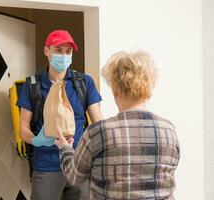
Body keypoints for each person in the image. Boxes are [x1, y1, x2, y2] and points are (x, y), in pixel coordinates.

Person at [55, 50, 180, 199]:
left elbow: (74, 176)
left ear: (115, 88)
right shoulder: (169, 131)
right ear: (149, 87)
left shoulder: (98, 133)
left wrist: (65, 149)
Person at [16, 29, 103, 200]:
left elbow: (99, 124)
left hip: (80, 164)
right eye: (58, 50)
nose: (64, 56)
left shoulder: (84, 82)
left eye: (68, 52)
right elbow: (23, 129)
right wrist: (35, 140)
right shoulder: (33, 85)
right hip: (47, 165)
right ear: (46, 51)